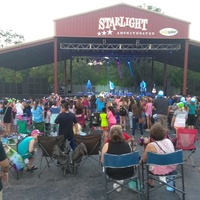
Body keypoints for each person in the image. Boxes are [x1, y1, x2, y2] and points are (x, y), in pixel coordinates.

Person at [101, 125, 133, 192]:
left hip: (112, 172)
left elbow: (102, 161)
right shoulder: (127, 145)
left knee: (110, 165)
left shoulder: (107, 145)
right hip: (127, 171)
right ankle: (119, 182)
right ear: (121, 134)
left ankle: (118, 183)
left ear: (110, 134)